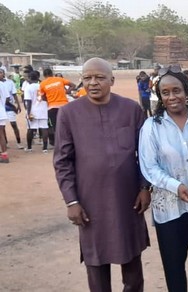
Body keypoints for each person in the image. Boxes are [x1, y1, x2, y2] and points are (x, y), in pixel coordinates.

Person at [53, 58, 150, 292]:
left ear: (112, 80)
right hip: (90, 202)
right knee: (96, 264)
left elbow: (146, 153)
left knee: (132, 266)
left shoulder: (131, 110)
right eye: (87, 78)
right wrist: (72, 201)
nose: (93, 82)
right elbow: (62, 161)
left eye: (99, 77)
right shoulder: (68, 114)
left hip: (128, 200)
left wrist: (145, 187)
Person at [139, 65, 188, 292]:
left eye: (176, 91)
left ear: (187, 92)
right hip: (171, 208)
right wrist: (177, 186)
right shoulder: (151, 127)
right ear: (160, 97)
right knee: (174, 266)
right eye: (165, 93)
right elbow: (150, 167)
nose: (172, 97)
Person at [40, 68, 75, 147]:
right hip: (64, 106)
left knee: (56, 127)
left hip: (52, 107)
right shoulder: (59, 79)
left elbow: (42, 97)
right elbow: (73, 85)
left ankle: (60, 145)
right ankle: (71, 142)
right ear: (52, 74)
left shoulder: (42, 84)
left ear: (44, 75)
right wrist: (67, 91)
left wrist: (49, 99)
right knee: (68, 125)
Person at [23, 71, 48, 152]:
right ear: (37, 78)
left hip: (33, 111)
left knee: (30, 129)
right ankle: (45, 148)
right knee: (44, 128)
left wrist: (28, 113)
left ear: (30, 78)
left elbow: (28, 101)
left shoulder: (28, 87)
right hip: (43, 110)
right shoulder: (42, 85)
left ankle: (29, 148)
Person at [1, 68, 22, 149]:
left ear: (4, 73)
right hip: (2, 107)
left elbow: (14, 94)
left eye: (1, 73)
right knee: (2, 127)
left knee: (13, 124)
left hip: (9, 106)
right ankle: (5, 143)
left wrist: (18, 105)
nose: (0, 74)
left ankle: (18, 142)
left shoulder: (10, 82)